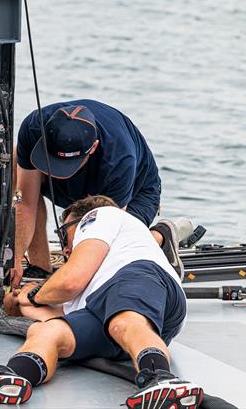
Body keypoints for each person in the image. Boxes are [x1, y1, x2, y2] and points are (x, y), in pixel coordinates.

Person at [0, 195, 202, 408]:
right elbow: (49, 315)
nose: (64, 248)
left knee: (124, 321)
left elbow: (69, 282)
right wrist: (19, 302)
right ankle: (13, 376)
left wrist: (31, 294)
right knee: (49, 331)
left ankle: (161, 378)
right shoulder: (93, 283)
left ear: (78, 222)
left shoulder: (100, 216)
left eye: (65, 236)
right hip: (111, 316)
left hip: (139, 278)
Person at [12, 99, 182, 287]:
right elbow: (25, 204)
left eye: (63, 165)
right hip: (75, 184)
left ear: (93, 147)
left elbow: (108, 233)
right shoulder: (33, 126)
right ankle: (40, 267)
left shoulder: (119, 159)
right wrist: (16, 258)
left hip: (137, 193)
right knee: (15, 161)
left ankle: (160, 236)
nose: (54, 172)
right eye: (51, 161)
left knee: (111, 257)